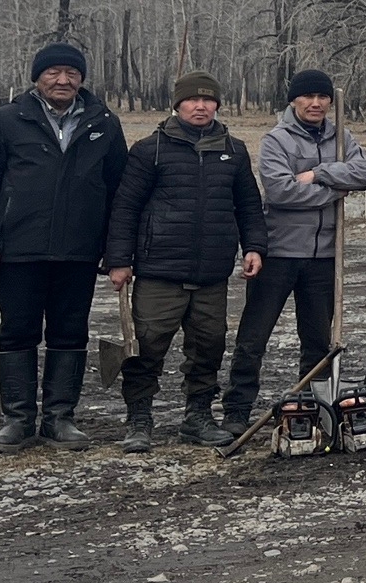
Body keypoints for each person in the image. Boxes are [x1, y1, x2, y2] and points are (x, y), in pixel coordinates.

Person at [0, 41, 130, 451]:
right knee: (17, 332)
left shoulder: (103, 122)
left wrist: (116, 250)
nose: (63, 79)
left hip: (78, 251)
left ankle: (59, 417)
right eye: (53, 72)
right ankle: (18, 419)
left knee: (70, 333)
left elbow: (119, 190)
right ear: (37, 77)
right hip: (19, 249)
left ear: (81, 79)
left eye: (71, 73)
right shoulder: (7, 120)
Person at [105, 72, 268, 451]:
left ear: (217, 105)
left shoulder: (235, 150)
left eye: (208, 100)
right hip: (159, 270)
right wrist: (118, 260)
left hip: (211, 272)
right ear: (177, 104)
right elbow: (125, 208)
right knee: (147, 345)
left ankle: (198, 416)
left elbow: (248, 205)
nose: (201, 106)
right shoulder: (151, 150)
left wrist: (254, 247)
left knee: (209, 346)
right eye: (192, 100)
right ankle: (139, 419)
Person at [227, 69, 366, 431]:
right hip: (279, 253)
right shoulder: (276, 140)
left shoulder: (343, 137)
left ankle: (316, 408)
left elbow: (364, 173)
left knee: (318, 340)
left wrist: (319, 173)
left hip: (324, 257)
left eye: (323, 98)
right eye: (308, 97)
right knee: (253, 337)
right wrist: (336, 189)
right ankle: (236, 410)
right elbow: (281, 192)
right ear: (293, 100)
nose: (316, 103)